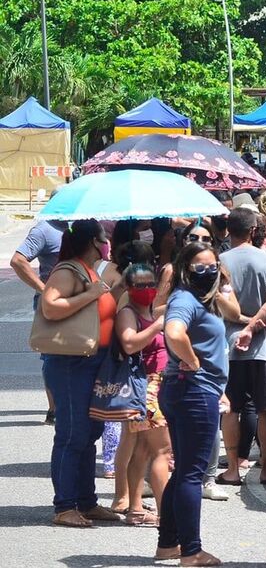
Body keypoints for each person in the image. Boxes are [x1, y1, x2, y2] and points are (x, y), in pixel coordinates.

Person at [157, 241, 240, 566]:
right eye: (200, 268)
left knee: (183, 474)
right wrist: (193, 362)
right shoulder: (184, 298)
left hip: (195, 390)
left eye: (212, 266)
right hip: (192, 390)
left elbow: (234, 311)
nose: (208, 272)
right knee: (192, 474)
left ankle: (168, 545)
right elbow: (174, 332)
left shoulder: (207, 298)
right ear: (185, 270)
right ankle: (191, 552)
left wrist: (222, 279)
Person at [39, 220, 121, 528]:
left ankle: (86, 502)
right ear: (91, 242)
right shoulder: (67, 270)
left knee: (89, 435)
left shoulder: (89, 270)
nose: (106, 243)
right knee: (72, 435)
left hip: (92, 361)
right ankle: (64, 506)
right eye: (103, 239)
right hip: (71, 363)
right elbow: (50, 307)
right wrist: (91, 294)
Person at [216, 208, 266, 487]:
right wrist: (255, 323)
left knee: (230, 407)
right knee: (265, 409)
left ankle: (232, 468)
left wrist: (243, 323)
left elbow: (218, 303)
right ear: (253, 231)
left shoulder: (219, 261)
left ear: (227, 230)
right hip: (264, 347)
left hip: (227, 346)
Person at [114, 262, 173, 528]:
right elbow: (128, 343)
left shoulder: (151, 310)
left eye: (151, 283)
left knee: (143, 451)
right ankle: (165, 514)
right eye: (140, 285)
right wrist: (156, 327)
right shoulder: (128, 313)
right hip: (144, 388)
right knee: (162, 450)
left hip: (155, 386)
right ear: (128, 287)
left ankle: (136, 508)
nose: (147, 289)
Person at [11, 218, 65, 423]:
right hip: (50, 302)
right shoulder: (44, 229)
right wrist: (43, 289)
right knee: (51, 355)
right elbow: (17, 260)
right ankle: (54, 409)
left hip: (77, 299)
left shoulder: (78, 225)